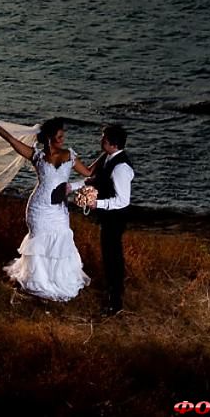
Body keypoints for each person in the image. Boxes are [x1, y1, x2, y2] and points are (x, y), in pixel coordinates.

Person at [0, 107, 92, 301]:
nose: (62, 140)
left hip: (58, 210)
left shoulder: (69, 155)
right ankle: (38, 282)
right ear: (49, 138)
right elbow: (11, 140)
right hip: (38, 208)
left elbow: (89, 174)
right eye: (58, 137)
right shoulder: (36, 156)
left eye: (63, 136)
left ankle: (57, 281)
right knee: (39, 243)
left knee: (61, 239)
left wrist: (108, 157)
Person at [72, 124, 133, 314]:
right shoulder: (107, 157)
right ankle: (113, 290)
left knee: (113, 256)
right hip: (109, 217)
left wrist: (96, 204)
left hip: (115, 217)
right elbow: (95, 179)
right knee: (109, 255)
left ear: (113, 144)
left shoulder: (121, 167)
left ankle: (115, 301)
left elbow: (123, 201)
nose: (101, 140)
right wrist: (72, 187)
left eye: (103, 138)